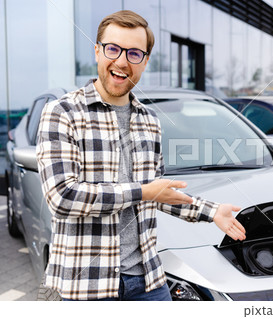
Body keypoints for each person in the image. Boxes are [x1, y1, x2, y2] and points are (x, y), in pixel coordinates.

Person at [36, 10, 246, 301]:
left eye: (134, 53)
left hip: (148, 281)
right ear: (97, 51)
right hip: (86, 286)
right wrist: (144, 191)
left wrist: (211, 211)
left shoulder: (149, 120)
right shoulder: (62, 112)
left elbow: (157, 192)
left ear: (145, 61)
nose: (122, 61)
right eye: (113, 49)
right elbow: (62, 197)